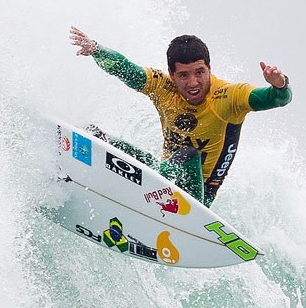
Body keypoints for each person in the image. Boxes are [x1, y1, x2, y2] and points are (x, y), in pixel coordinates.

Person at [68, 26, 292, 207]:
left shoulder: (229, 96)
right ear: (172, 74)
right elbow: (126, 69)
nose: (193, 83)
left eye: (200, 72)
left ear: (209, 69)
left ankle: (141, 188)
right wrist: (97, 50)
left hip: (196, 199)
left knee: (187, 154)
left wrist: (280, 86)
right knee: (93, 136)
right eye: (184, 75)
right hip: (161, 177)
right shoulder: (162, 87)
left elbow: (276, 99)